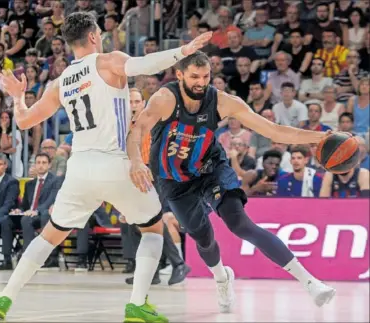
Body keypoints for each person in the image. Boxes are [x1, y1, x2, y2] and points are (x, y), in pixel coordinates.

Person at [0, 12, 212, 322]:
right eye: (99, 33)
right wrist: (183, 51)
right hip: (114, 163)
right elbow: (146, 65)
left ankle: (4, 298)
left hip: (79, 170)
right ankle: (137, 304)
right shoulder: (107, 61)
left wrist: (19, 97)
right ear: (92, 37)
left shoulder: (60, 82)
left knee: (49, 236)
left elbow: (23, 121)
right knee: (154, 229)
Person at [127, 51, 337, 318]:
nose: (200, 82)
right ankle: (222, 278)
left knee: (240, 223)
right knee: (203, 238)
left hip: (211, 168)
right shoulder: (165, 99)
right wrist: (135, 162)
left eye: (205, 76)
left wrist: (318, 138)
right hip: (174, 179)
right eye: (194, 76)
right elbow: (137, 131)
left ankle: (311, 283)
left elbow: (274, 131)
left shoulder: (223, 102)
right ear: (179, 75)